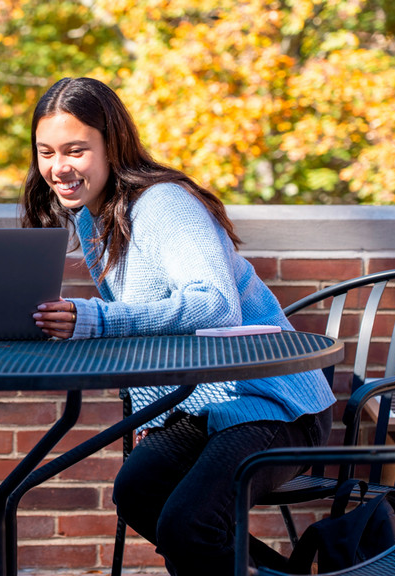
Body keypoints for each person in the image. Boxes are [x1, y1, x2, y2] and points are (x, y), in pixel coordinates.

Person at [23, 77, 335, 575]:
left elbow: (214, 306)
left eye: (76, 150)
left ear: (112, 144)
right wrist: (154, 410)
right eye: (46, 152)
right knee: (137, 491)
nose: (59, 168)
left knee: (191, 523)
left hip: (275, 404)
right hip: (208, 406)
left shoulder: (164, 204)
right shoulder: (95, 219)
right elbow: (153, 323)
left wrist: (96, 319)